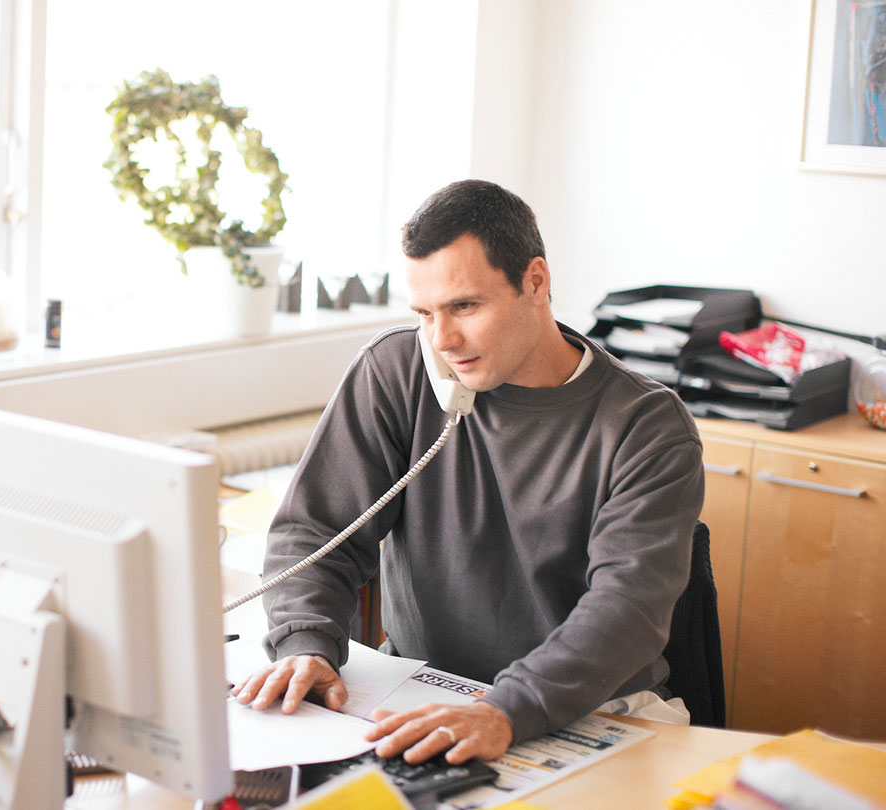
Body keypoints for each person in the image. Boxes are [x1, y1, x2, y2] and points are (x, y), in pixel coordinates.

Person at [231, 179, 705, 766]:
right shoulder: (398, 372)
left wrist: (504, 710)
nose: (442, 340)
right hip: (424, 694)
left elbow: (626, 610)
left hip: (590, 713)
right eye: (424, 313)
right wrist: (305, 643)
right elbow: (312, 533)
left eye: (464, 307)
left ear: (536, 281)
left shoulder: (646, 425)